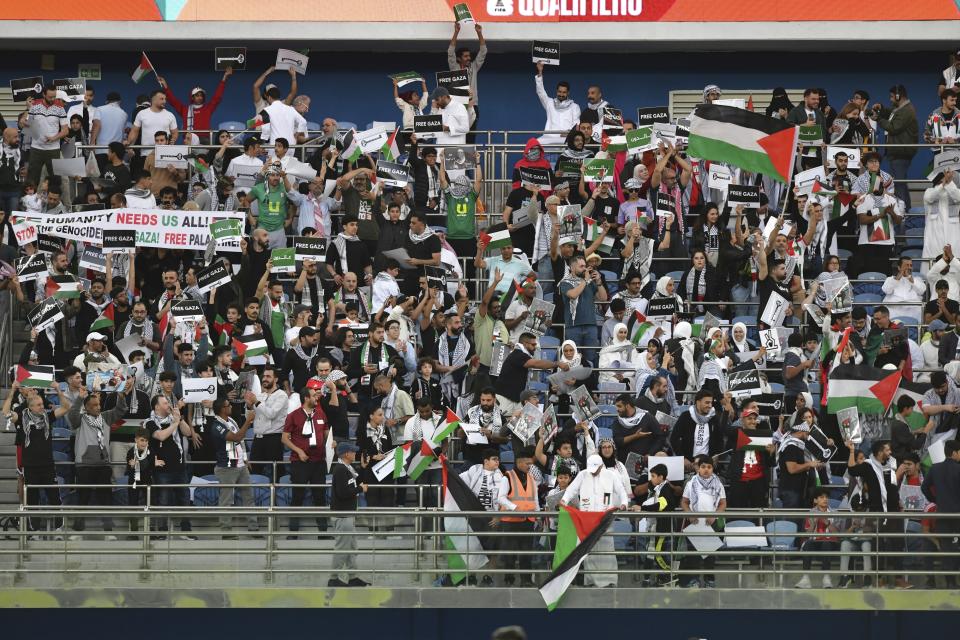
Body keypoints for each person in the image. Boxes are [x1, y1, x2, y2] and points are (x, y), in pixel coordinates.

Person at [66, 377, 132, 538]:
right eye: (94, 405)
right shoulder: (80, 420)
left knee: (106, 498)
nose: (98, 407)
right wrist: (80, 398)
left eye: (99, 405)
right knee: (83, 498)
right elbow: (72, 415)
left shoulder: (106, 417)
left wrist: (121, 396)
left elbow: (120, 411)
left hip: (103, 464)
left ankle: (108, 530)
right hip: (84, 465)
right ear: (86, 407)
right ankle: (77, 530)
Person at [845, 439, 912, 589]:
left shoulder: (890, 464)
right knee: (879, 547)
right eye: (887, 450)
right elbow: (851, 469)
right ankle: (880, 579)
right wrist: (851, 450)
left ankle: (898, 579)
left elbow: (891, 487)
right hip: (877, 512)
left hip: (894, 511)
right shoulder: (868, 465)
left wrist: (899, 500)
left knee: (897, 545)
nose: (890, 452)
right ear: (880, 452)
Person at [7, 382, 71, 534]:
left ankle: (58, 530)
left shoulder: (48, 417)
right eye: (38, 405)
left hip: (47, 465)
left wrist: (57, 390)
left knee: (55, 498)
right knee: (32, 501)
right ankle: (34, 531)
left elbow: (66, 407)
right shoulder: (21, 419)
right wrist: (12, 391)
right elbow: (6, 412)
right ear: (30, 407)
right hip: (30, 467)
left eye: (42, 403)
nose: (42, 406)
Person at [560, 454, 628, 587]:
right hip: (587, 520)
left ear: (601, 466)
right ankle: (590, 581)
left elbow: (621, 491)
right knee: (589, 551)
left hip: (605, 519)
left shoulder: (611, 475)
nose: (593, 472)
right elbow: (571, 490)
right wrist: (564, 500)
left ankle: (609, 581)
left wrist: (624, 503)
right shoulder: (583, 474)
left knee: (607, 550)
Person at [282, 383, 332, 538]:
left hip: (319, 462)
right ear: (306, 398)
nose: (317, 397)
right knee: (298, 496)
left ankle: (323, 532)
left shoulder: (321, 414)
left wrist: (331, 442)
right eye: (313, 395)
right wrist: (298, 451)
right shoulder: (293, 416)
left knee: (320, 497)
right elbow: (284, 438)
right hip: (300, 461)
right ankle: (293, 532)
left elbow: (326, 435)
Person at [145, 395, 195, 539]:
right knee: (163, 500)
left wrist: (180, 419)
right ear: (156, 407)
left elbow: (187, 433)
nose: (169, 405)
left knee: (184, 500)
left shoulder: (174, 419)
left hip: (180, 468)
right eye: (165, 403)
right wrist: (175, 423)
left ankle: (186, 531)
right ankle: (162, 532)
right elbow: (160, 436)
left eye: (168, 402)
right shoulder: (150, 422)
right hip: (162, 471)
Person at [209, 398, 259, 537]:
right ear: (222, 409)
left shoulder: (231, 421)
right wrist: (248, 421)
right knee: (226, 500)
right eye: (228, 405)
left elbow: (241, 441)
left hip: (240, 465)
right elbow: (236, 437)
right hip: (227, 467)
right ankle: (226, 530)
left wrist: (245, 458)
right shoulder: (217, 426)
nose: (231, 406)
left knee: (249, 497)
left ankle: (253, 527)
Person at [679, 454, 727, 588]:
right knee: (693, 555)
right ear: (698, 468)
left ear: (713, 469)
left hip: (712, 524)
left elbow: (723, 503)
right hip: (695, 524)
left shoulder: (718, 483)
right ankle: (693, 580)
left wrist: (714, 516)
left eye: (709, 467)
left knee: (710, 556)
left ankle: (709, 580)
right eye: (703, 467)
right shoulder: (691, 483)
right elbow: (684, 502)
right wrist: (689, 514)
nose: (706, 469)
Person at [328, 442, 370, 587]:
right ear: (346, 454)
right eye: (353, 452)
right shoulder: (340, 469)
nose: (355, 454)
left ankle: (353, 577)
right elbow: (343, 493)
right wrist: (359, 489)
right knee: (342, 548)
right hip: (342, 515)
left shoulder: (346, 468)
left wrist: (363, 469)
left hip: (347, 514)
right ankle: (333, 579)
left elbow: (355, 483)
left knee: (351, 548)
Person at [870, 85, 918, 210]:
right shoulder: (900, 108)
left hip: (901, 152)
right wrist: (881, 108)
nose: (891, 100)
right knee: (900, 183)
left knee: (898, 184)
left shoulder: (907, 110)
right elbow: (892, 114)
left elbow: (894, 127)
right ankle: (906, 210)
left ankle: (902, 212)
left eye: (892, 97)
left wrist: (878, 118)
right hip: (897, 152)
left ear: (898, 96)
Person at [921, 440, 960, 588]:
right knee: (957, 547)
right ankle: (954, 581)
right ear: (954, 453)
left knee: (946, 547)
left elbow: (924, 487)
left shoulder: (935, 469)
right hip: (957, 516)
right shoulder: (958, 469)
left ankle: (949, 581)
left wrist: (936, 500)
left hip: (942, 514)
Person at [158, 68, 231, 145]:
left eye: (201, 95)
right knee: (188, 157)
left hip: (204, 140)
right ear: (192, 97)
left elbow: (217, 97)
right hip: (189, 139)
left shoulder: (208, 108)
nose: (200, 97)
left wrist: (224, 78)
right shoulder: (185, 110)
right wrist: (165, 86)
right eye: (197, 95)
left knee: (203, 157)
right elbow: (173, 101)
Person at [500, 446, 540, 587]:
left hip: (528, 520)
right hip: (511, 520)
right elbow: (501, 498)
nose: (530, 466)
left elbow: (535, 499)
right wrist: (515, 509)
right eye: (527, 464)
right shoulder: (507, 477)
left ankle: (526, 580)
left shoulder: (532, 478)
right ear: (519, 463)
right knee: (510, 552)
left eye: (531, 463)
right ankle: (509, 579)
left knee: (526, 552)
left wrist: (539, 516)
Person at [244, 366, 288, 482]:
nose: (265, 379)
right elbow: (249, 418)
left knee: (277, 471)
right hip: (258, 439)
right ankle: (257, 496)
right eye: (264, 376)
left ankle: (277, 498)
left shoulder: (281, 395)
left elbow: (271, 414)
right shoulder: (259, 396)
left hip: (274, 438)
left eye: (268, 376)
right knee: (254, 469)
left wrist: (256, 402)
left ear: (276, 379)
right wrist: (249, 406)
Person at [447, 19, 487, 142]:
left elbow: (483, 51)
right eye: (466, 56)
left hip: (472, 105)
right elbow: (450, 52)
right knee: (456, 136)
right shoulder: (454, 68)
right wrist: (456, 32)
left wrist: (479, 33)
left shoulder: (474, 67)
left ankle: (469, 160)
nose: (469, 58)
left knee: (470, 137)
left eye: (469, 56)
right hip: (457, 106)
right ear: (459, 59)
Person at [558, 255, 606, 352]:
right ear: (572, 268)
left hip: (591, 325)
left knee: (591, 357)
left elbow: (603, 299)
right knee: (574, 357)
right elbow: (573, 294)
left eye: (585, 266)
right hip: (573, 327)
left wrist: (599, 282)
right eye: (581, 266)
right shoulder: (564, 283)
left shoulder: (590, 282)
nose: (585, 269)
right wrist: (585, 280)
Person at [795, 488, 840, 589]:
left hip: (830, 542)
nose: (825, 499)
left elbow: (838, 534)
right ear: (816, 500)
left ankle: (826, 578)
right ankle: (805, 578)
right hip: (815, 542)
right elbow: (807, 534)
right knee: (808, 544)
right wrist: (813, 523)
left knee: (826, 543)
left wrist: (827, 522)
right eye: (821, 497)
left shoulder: (835, 512)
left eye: (826, 497)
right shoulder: (811, 513)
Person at [671, 390, 726, 471]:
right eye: (707, 402)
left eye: (711, 403)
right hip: (689, 463)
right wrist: (682, 458)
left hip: (707, 464)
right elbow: (674, 439)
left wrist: (717, 455)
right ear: (698, 402)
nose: (710, 405)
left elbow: (720, 439)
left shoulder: (714, 418)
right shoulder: (686, 416)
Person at [534, 63, 580, 146]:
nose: (561, 94)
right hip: (549, 137)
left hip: (567, 137)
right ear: (556, 91)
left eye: (564, 92)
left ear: (568, 93)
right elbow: (540, 92)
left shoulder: (574, 106)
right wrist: (540, 72)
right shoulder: (549, 103)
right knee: (534, 144)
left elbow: (576, 124)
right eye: (559, 91)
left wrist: (569, 133)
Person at [923, 170, 960, 259]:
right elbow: (929, 198)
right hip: (934, 232)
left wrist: (949, 183)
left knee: (953, 257)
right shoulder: (929, 191)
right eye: (944, 179)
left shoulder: (955, 192)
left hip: (952, 231)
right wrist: (942, 184)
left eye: (949, 179)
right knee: (934, 257)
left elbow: (958, 197)